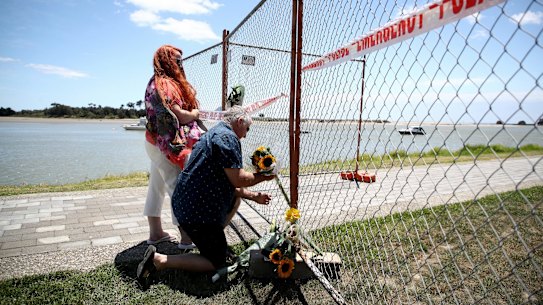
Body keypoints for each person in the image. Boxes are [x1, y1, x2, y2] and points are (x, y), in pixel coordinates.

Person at [137, 106, 274, 279]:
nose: (246, 134)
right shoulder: (228, 138)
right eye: (247, 129)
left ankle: (211, 240)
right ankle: (160, 260)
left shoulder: (215, 132)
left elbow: (229, 183)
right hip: (197, 213)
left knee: (234, 200)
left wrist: (254, 196)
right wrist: (265, 176)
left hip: (186, 205)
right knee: (217, 262)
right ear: (239, 121)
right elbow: (239, 179)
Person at [143, 44, 200, 248]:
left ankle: (156, 233)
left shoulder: (155, 81)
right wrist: (195, 114)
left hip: (153, 142)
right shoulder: (166, 84)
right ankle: (186, 238)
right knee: (177, 186)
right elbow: (180, 116)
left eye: (180, 60)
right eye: (176, 60)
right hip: (166, 146)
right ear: (166, 61)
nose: (180, 64)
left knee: (156, 187)